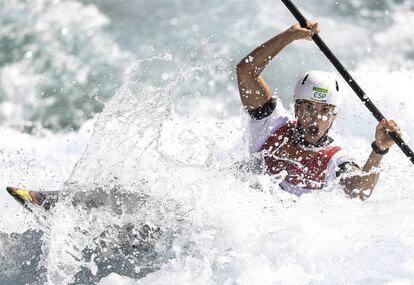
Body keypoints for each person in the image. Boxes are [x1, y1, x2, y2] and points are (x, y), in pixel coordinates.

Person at [236, 21, 402, 199]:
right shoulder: (270, 124)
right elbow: (245, 71)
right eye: (309, 107)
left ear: (334, 115)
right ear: (297, 109)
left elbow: (359, 192)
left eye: (325, 110)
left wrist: (379, 150)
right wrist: (288, 36)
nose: (316, 117)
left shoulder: (335, 160)